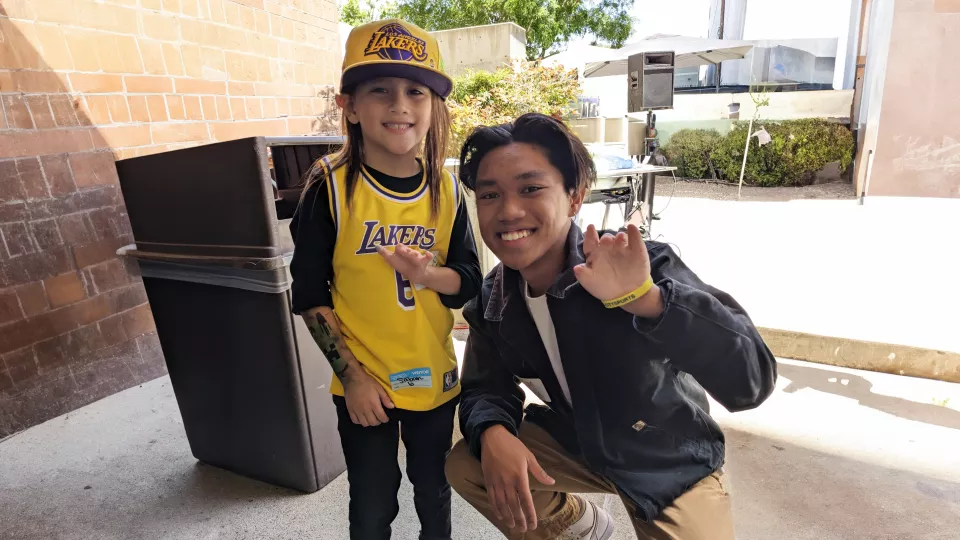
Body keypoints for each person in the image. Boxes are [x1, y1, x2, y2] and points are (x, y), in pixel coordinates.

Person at [445, 113, 777, 540]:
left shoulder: (635, 264)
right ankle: (579, 526)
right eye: (490, 195)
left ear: (574, 196)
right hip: (580, 440)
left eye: (531, 188)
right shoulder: (495, 300)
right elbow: (484, 386)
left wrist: (648, 301)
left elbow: (751, 381)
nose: (508, 211)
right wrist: (492, 432)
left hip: (668, 459)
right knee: (469, 465)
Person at [289, 19, 482, 540]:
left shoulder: (449, 191)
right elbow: (307, 294)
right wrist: (352, 378)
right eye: (380, 90)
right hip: (364, 383)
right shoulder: (329, 187)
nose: (400, 105)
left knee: (433, 489)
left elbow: (469, 284)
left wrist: (428, 274)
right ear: (349, 103)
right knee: (373, 501)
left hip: (433, 378)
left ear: (433, 105)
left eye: (416, 91)